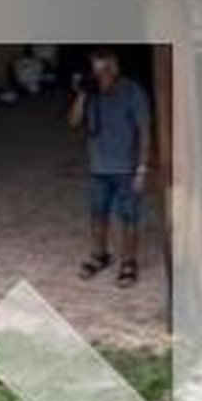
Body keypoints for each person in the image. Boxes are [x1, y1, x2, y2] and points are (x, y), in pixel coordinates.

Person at [67, 47, 154, 286]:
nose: (100, 74)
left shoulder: (132, 92)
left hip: (126, 169)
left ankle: (128, 263)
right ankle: (99, 256)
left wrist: (142, 168)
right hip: (98, 168)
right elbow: (73, 122)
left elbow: (145, 131)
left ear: (115, 67)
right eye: (96, 68)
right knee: (98, 216)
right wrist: (82, 94)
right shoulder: (91, 92)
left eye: (104, 68)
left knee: (128, 218)